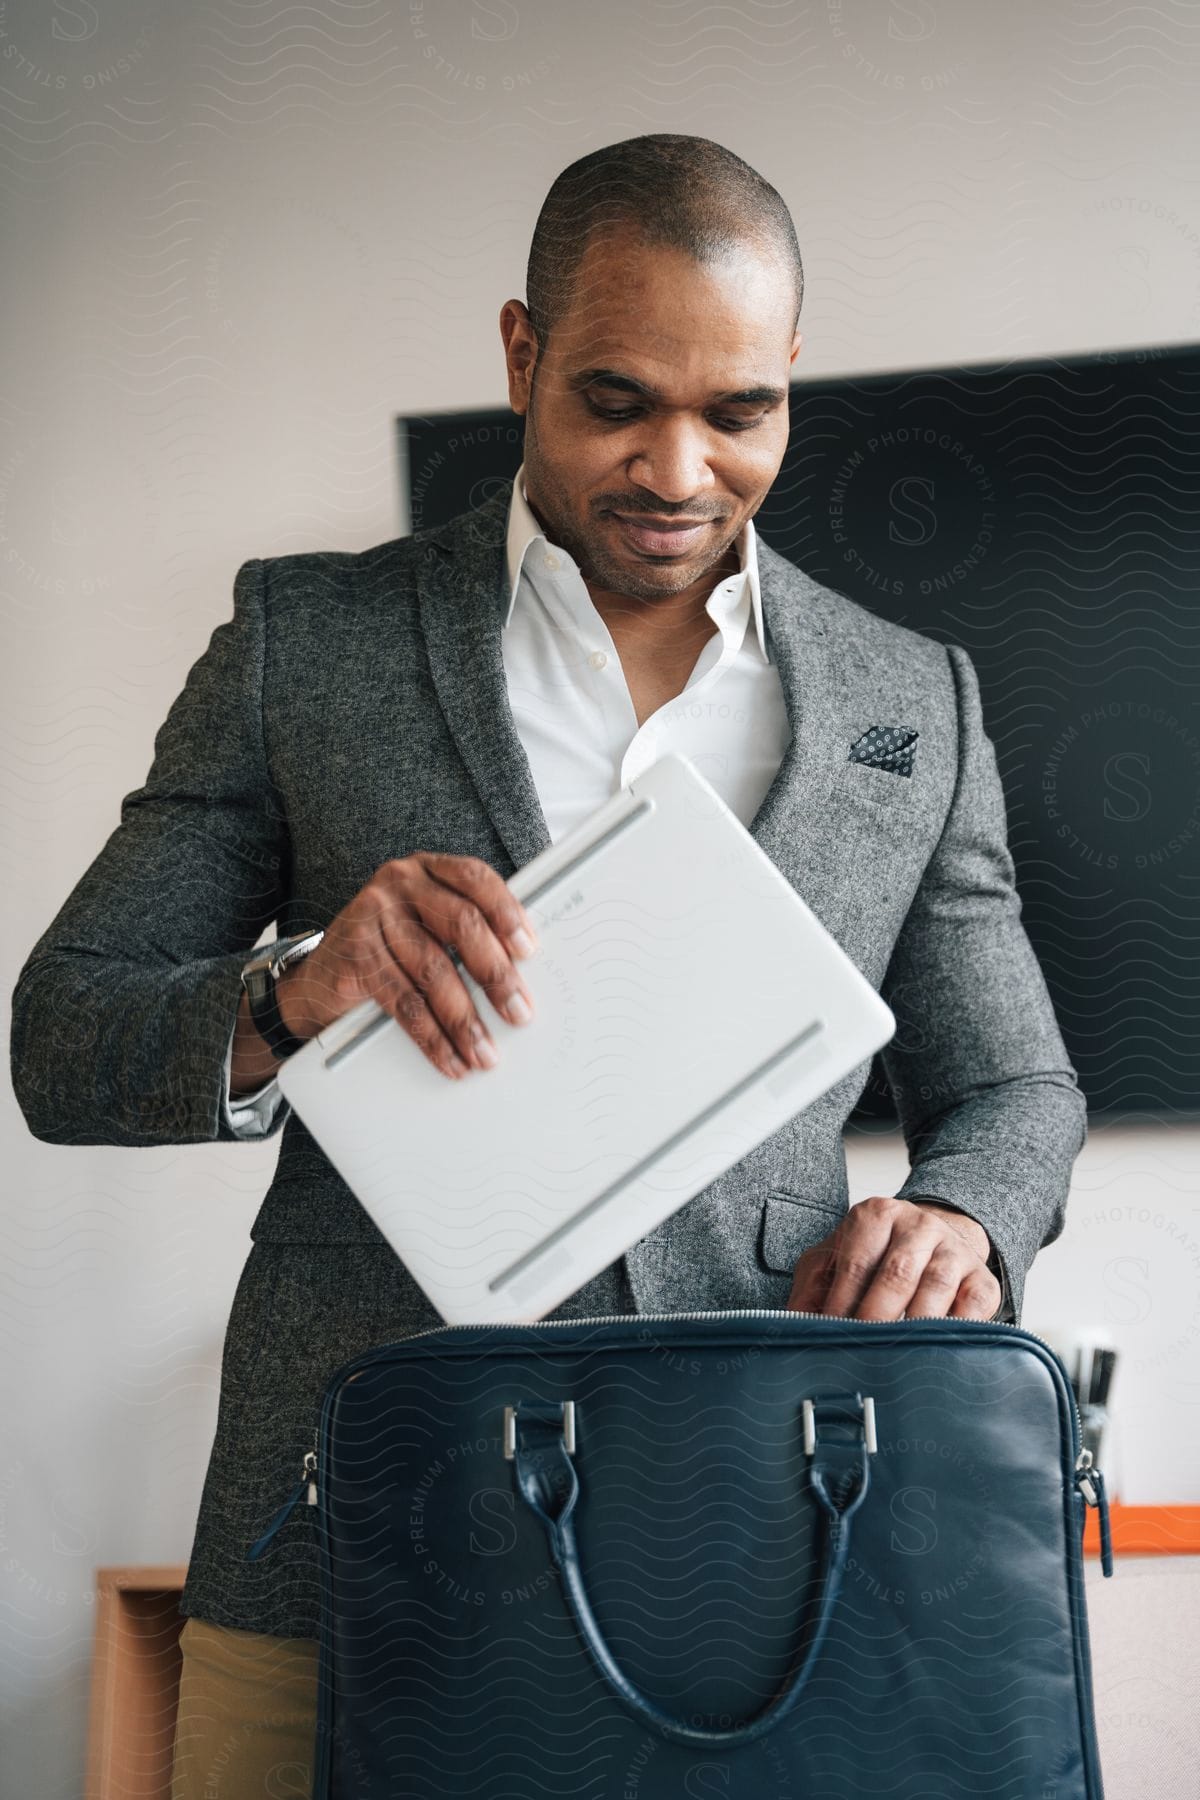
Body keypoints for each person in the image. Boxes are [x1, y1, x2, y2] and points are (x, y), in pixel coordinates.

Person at [10, 134, 1087, 1798]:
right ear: (519, 354)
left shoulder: (913, 699)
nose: (677, 467)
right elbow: (61, 1038)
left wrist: (965, 1215)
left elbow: (1014, 1084)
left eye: (739, 413)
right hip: (342, 1540)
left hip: (765, 1547)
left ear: (791, 372)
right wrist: (297, 987)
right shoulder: (307, 640)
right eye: (613, 400)